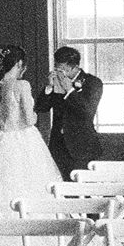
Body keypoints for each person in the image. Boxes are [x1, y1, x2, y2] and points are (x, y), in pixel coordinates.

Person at [0, 45, 64, 225]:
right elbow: (30, 120)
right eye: (23, 65)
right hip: (23, 140)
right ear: (19, 63)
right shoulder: (22, 85)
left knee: (1, 189)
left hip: (4, 141)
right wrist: (33, 112)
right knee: (29, 186)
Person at [35, 45, 104, 180]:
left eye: (62, 68)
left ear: (74, 67)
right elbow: (40, 108)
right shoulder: (55, 82)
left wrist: (70, 91)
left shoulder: (93, 83)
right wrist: (48, 87)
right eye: (56, 67)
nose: (58, 71)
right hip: (57, 147)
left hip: (82, 148)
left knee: (82, 192)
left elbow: (87, 112)